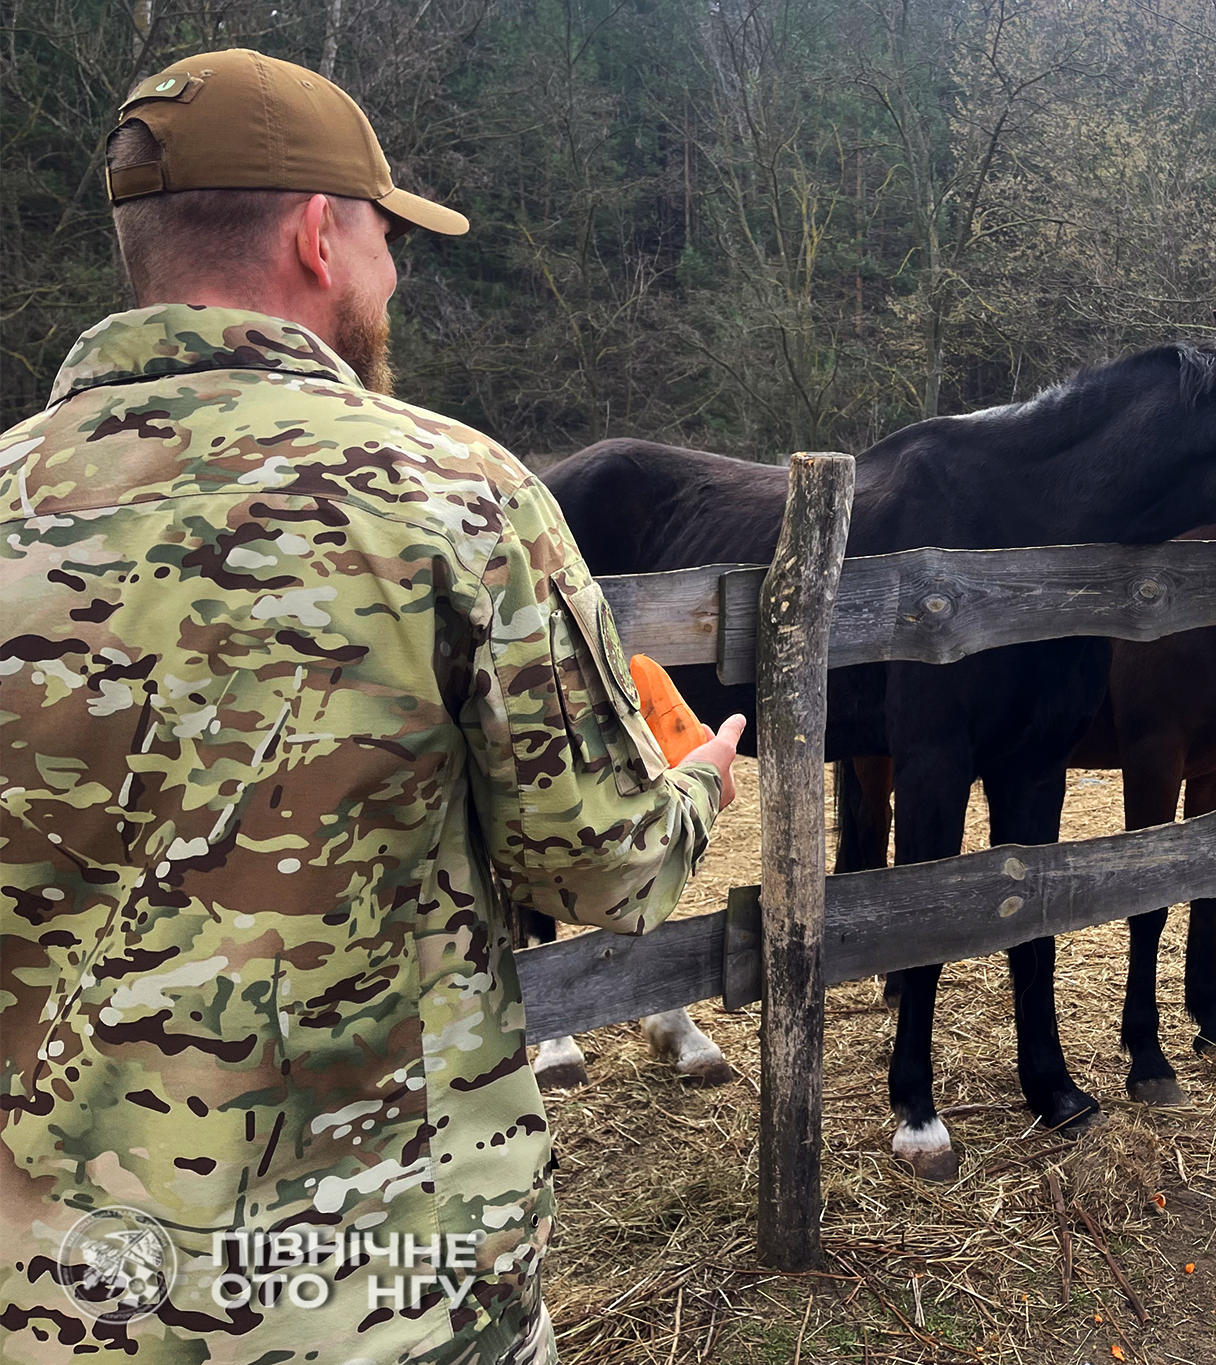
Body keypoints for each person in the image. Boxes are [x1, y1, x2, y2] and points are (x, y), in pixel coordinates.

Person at [0, 49, 741, 1363]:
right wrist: (695, 791)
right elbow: (604, 873)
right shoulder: (458, 498)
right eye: (388, 237)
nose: (393, 273)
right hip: (390, 1297)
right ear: (314, 236)